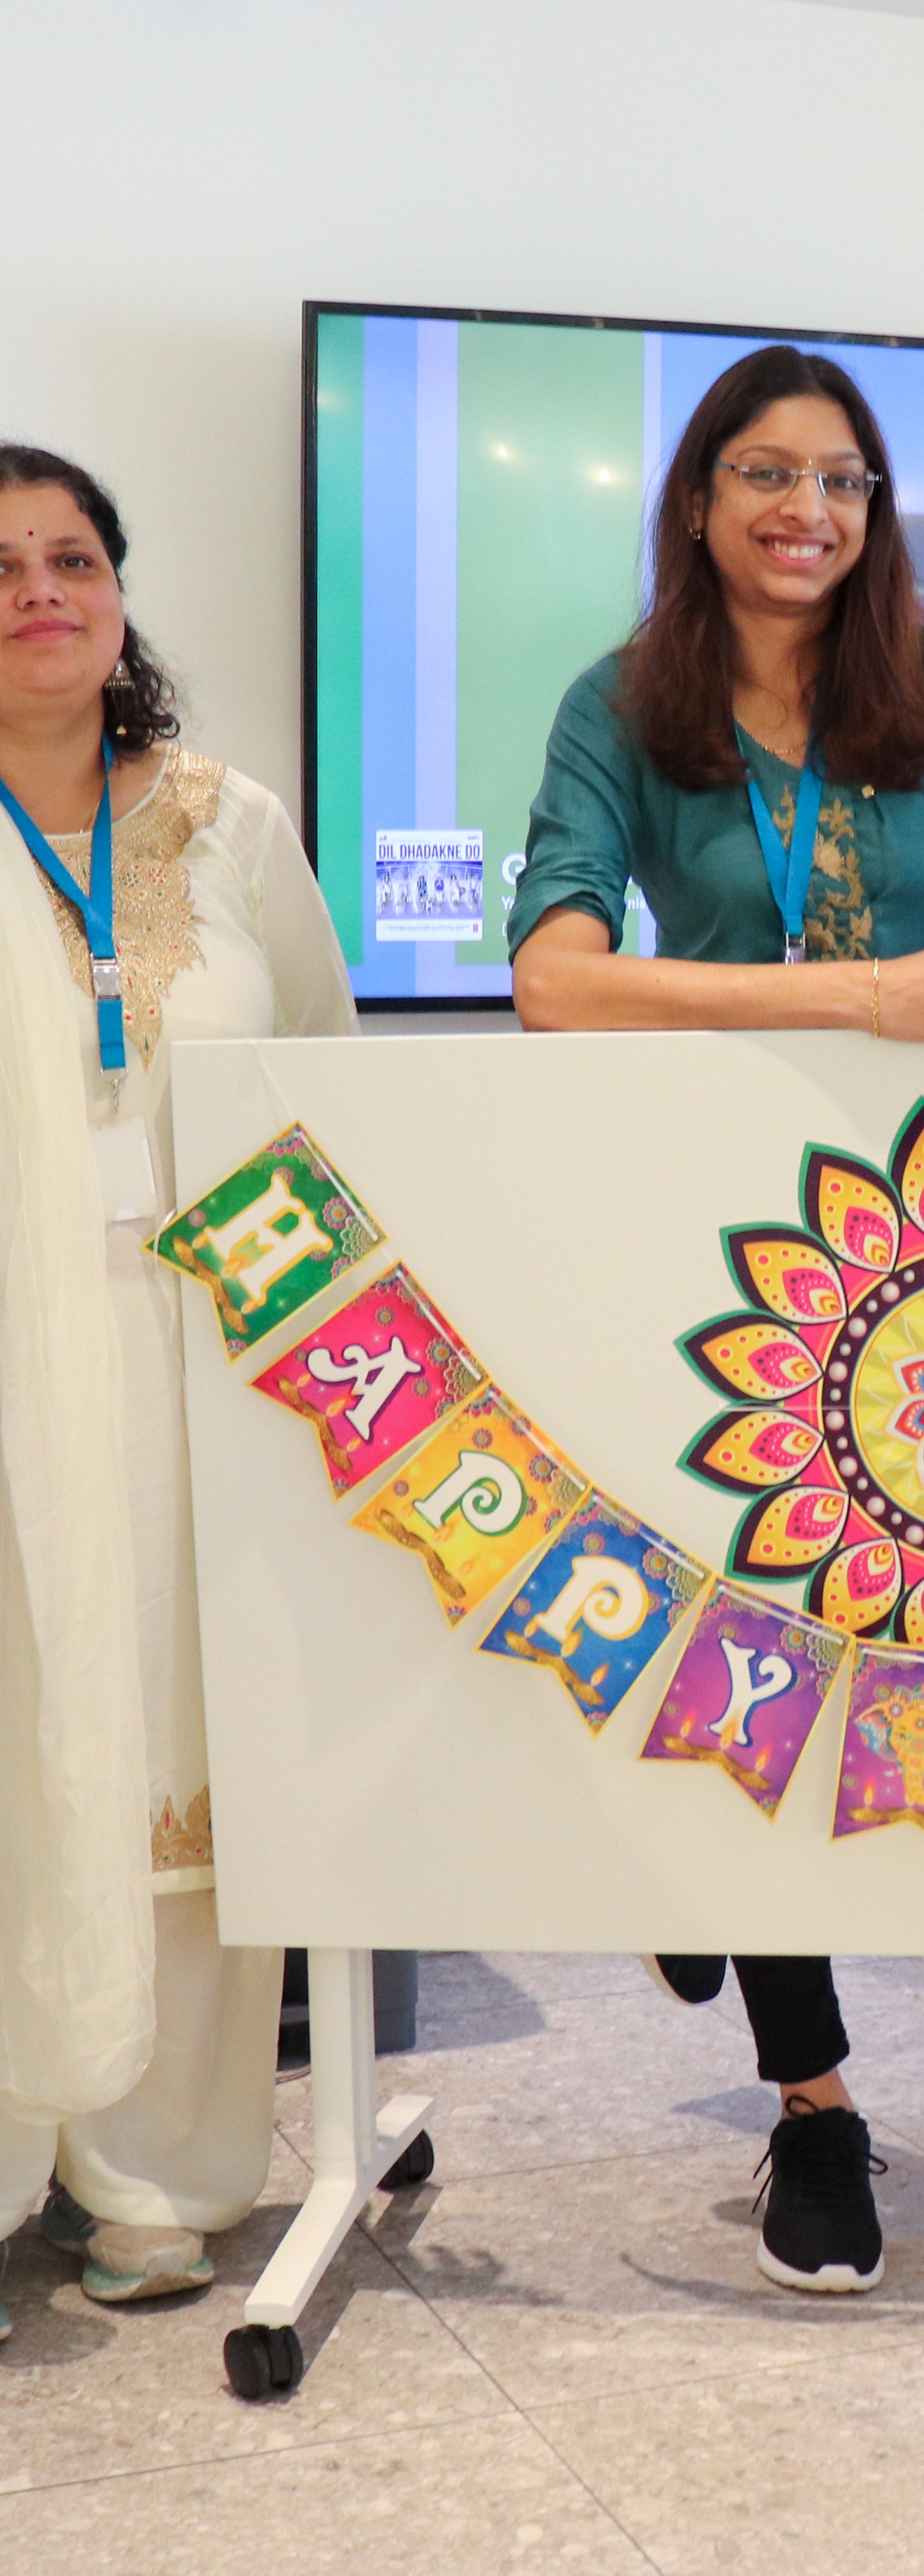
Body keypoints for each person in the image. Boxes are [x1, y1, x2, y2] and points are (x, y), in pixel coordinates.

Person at [509, 344, 924, 2297]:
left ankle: (717, 1912)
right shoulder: (622, 704)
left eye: (836, 477)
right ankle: (813, 2104)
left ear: (872, 503)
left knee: (882, 1626)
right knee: (748, 1629)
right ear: (698, 499)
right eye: (761, 473)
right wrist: (845, 998)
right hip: (708, 1229)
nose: (800, 510)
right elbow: (555, 980)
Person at [0, 447, 356, 2338]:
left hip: (211, 1357)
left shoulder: (231, 825)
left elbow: (328, 1076)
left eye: (72, 557)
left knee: (188, 1754)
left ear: (121, 598)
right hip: (5, 1370)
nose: (39, 588)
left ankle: (160, 2175)